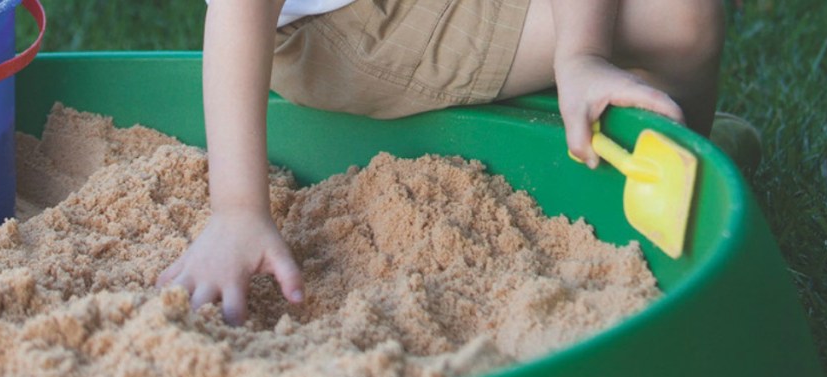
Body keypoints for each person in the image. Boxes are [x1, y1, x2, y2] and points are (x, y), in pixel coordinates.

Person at [157, 0, 758, 325]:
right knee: (681, 18)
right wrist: (238, 208)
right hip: (348, 25)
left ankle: (659, 134)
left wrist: (580, 54)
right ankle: (670, 194)